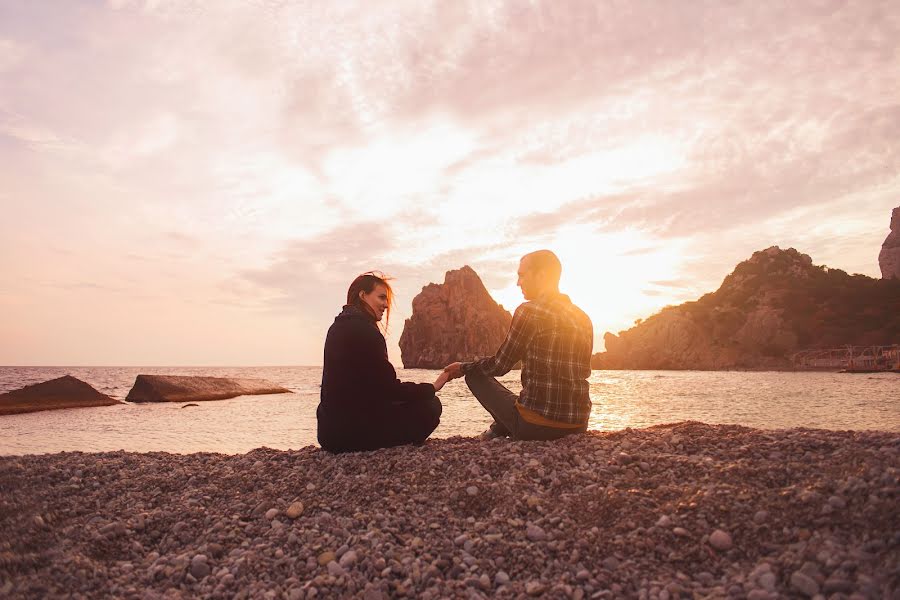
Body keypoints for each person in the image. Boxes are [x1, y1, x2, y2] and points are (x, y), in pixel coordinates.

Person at [444, 250, 593, 441]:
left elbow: (500, 365)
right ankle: (498, 428)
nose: (518, 282)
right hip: (579, 424)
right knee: (520, 400)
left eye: (522, 275)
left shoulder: (529, 312)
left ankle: (502, 428)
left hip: (536, 427)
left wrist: (463, 368)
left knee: (475, 376)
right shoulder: (583, 317)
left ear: (541, 276)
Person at [317, 271, 449, 453]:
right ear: (363, 295)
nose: (386, 305)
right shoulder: (368, 333)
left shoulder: (335, 328)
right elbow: (390, 390)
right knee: (432, 405)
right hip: (352, 436)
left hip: (328, 435)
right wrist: (432, 387)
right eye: (381, 298)